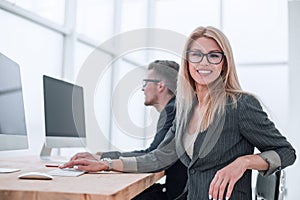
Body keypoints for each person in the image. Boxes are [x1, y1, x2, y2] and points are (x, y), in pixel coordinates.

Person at [61, 26, 296, 200]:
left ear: (224, 63)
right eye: (196, 55)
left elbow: (286, 152)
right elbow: (159, 157)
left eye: (213, 55)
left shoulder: (241, 105)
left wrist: (244, 162)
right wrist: (106, 163)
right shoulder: (185, 109)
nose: (204, 62)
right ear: (187, 62)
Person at [70, 60, 187, 200]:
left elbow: (153, 155)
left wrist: (103, 160)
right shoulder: (175, 108)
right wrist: (103, 157)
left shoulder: (172, 110)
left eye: (146, 83)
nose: (142, 88)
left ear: (160, 85)